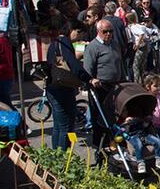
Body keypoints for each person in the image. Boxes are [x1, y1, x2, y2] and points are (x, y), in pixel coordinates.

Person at [45, 21, 92, 149]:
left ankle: (56, 154)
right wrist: (88, 79)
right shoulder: (64, 42)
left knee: (58, 126)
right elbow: (73, 65)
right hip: (62, 89)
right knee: (67, 125)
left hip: (53, 87)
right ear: (74, 31)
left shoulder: (55, 42)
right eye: (80, 35)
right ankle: (64, 157)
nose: (80, 39)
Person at [83, 19, 125, 161]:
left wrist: (124, 79)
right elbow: (87, 69)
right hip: (100, 87)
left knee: (115, 117)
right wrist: (91, 81)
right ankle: (99, 148)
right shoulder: (93, 47)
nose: (108, 34)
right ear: (98, 32)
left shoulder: (114, 44)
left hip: (115, 85)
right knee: (100, 119)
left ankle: (116, 145)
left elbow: (120, 63)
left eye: (111, 31)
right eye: (105, 31)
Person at [143, 73, 160, 142]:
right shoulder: (146, 98)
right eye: (156, 86)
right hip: (151, 125)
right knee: (154, 143)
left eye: (159, 85)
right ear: (148, 86)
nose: (158, 88)